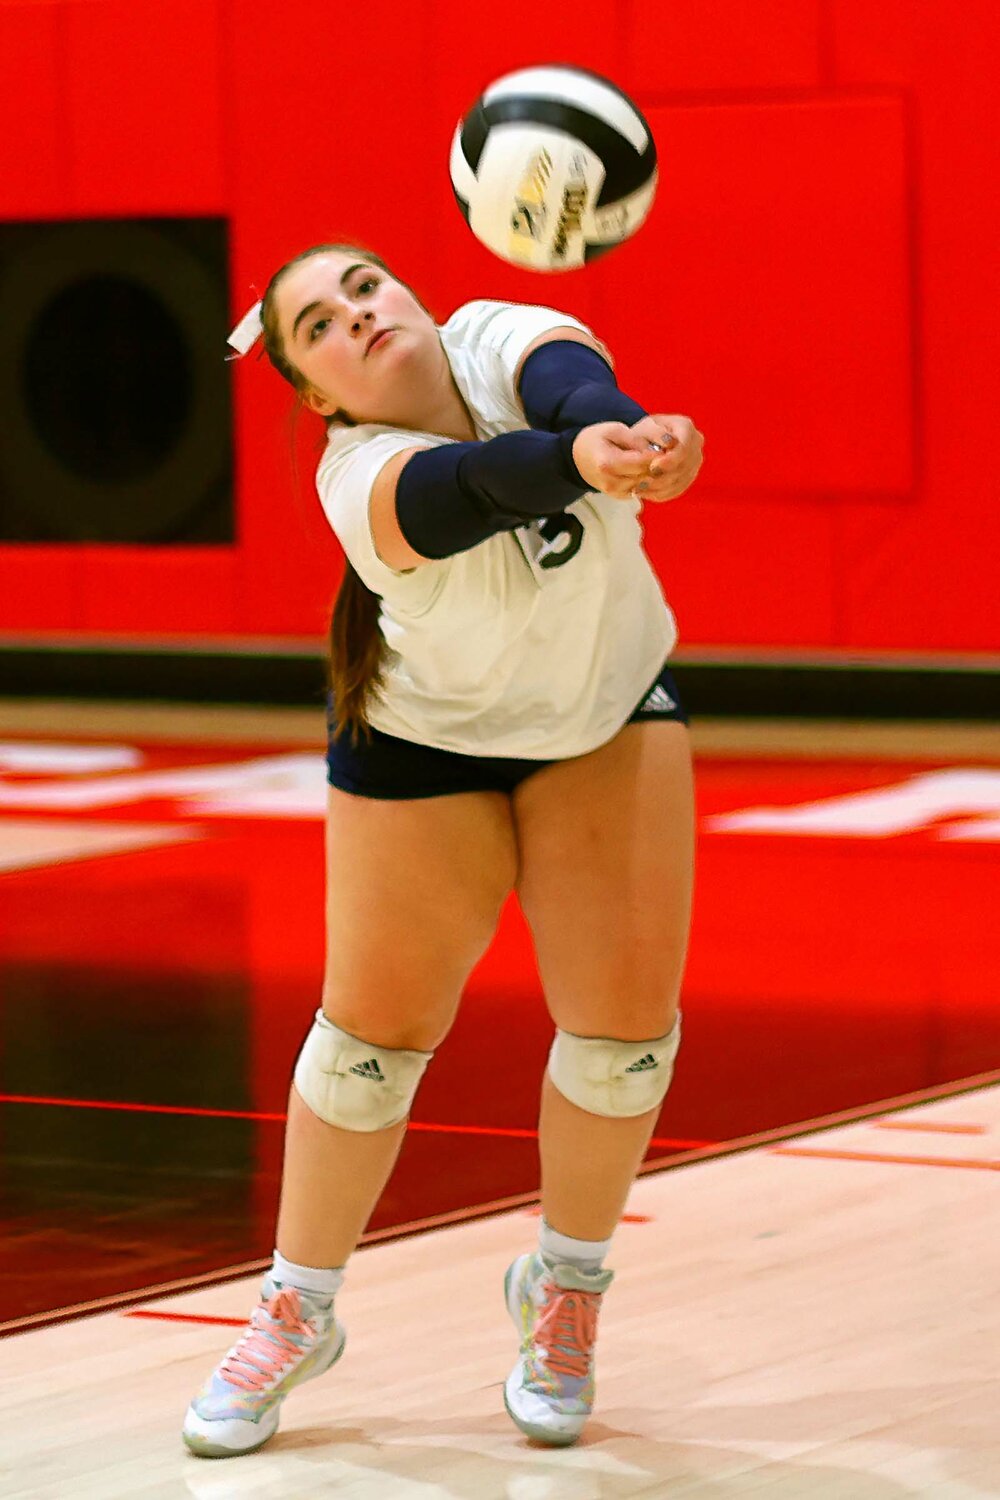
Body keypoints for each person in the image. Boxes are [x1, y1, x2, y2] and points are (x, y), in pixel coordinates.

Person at [182, 242, 704, 1458]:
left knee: (624, 1047)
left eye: (365, 287)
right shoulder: (357, 476)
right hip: (425, 748)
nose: (356, 316)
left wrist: (640, 439)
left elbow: (576, 388)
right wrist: (580, 459)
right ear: (317, 397)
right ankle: (296, 1309)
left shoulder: (496, 336)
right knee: (367, 1050)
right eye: (317, 326)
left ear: (412, 298)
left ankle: (563, 1293)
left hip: (603, 716)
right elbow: (473, 489)